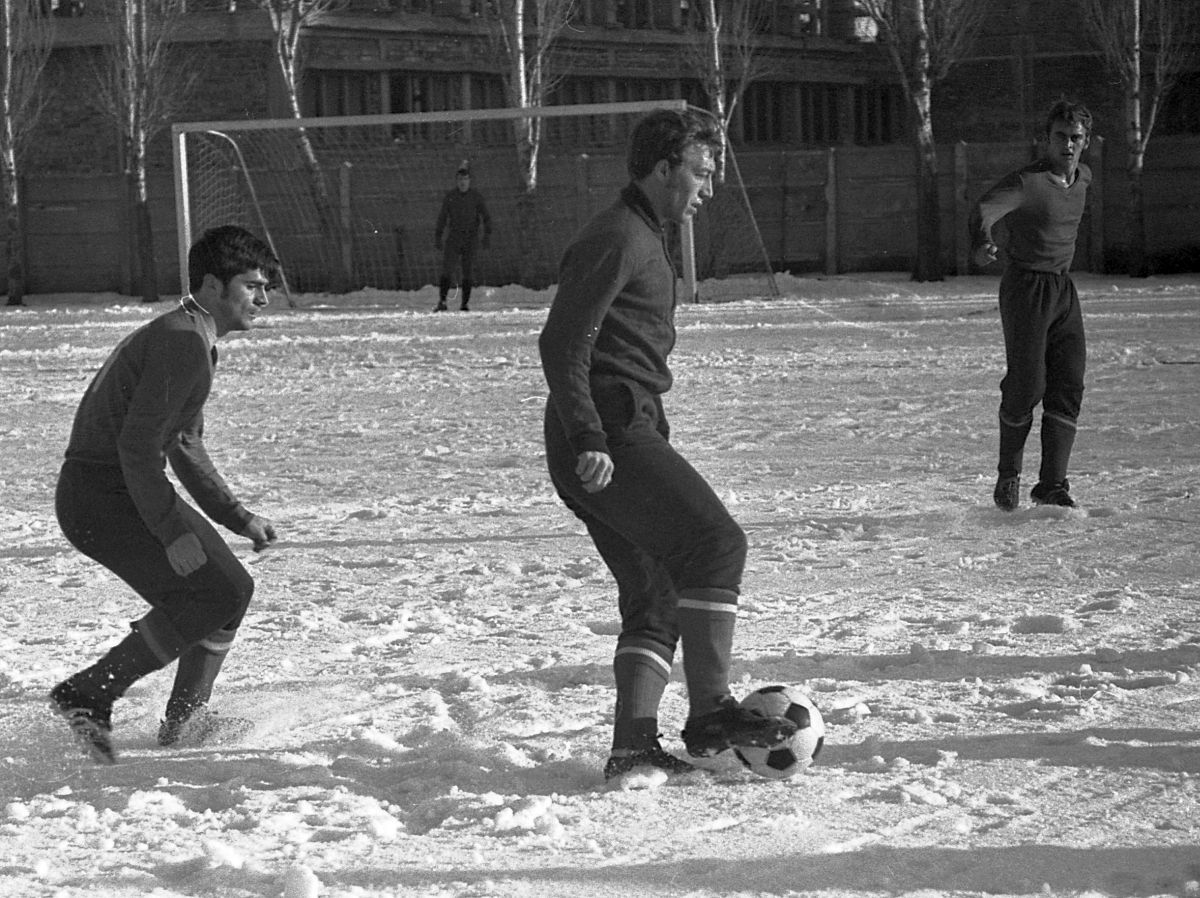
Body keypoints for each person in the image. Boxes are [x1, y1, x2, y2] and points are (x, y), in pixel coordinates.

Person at [538, 108, 798, 782]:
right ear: (663, 170)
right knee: (715, 545)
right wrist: (589, 435)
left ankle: (632, 749)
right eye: (700, 172)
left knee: (654, 592)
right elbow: (562, 342)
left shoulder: (645, 232)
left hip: (621, 427)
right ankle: (711, 710)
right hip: (606, 432)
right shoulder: (618, 237)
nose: (707, 187)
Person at [49, 225, 281, 764]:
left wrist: (236, 516)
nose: (264, 299)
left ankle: (185, 719)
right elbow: (136, 449)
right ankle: (89, 692)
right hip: (102, 499)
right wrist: (172, 529)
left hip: (117, 490)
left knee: (229, 589)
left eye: (265, 286)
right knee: (208, 594)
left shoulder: (192, 336)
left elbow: (182, 440)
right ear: (211, 286)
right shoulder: (183, 342)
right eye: (252, 286)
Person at [971, 100, 1094, 511]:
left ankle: (1052, 485)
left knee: (1069, 383)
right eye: (1061, 136)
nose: (1068, 145)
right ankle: (1009, 475)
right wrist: (982, 241)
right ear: (1047, 140)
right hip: (1026, 289)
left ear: (1086, 142)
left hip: (1063, 291)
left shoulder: (1084, 180)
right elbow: (985, 208)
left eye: (1076, 138)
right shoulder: (1028, 182)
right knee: (1027, 384)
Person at [433, 161, 492, 312]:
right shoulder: (451, 197)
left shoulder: (476, 197)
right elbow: (442, 218)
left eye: (465, 180)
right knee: (447, 269)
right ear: (456, 181)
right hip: (454, 238)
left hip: (470, 239)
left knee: (468, 271)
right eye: (460, 180)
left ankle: (464, 304)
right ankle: (443, 301)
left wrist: (487, 236)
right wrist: (438, 236)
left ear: (469, 181)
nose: (462, 183)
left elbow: (486, 217)